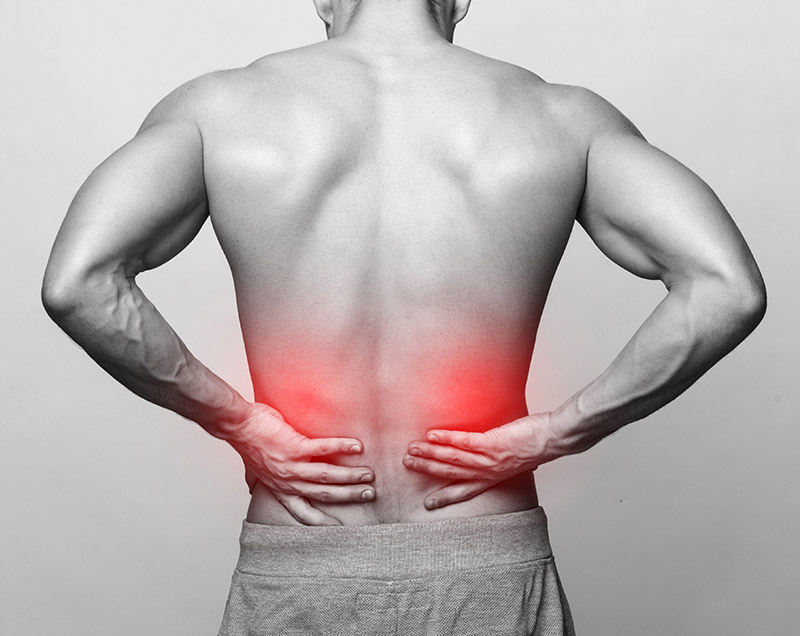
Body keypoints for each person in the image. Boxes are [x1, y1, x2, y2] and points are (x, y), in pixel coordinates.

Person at [41, 0, 766, 634]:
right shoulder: (560, 118)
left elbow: (79, 283)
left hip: (300, 554)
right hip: (485, 557)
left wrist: (239, 422)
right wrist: (555, 433)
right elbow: (725, 288)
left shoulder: (217, 112)